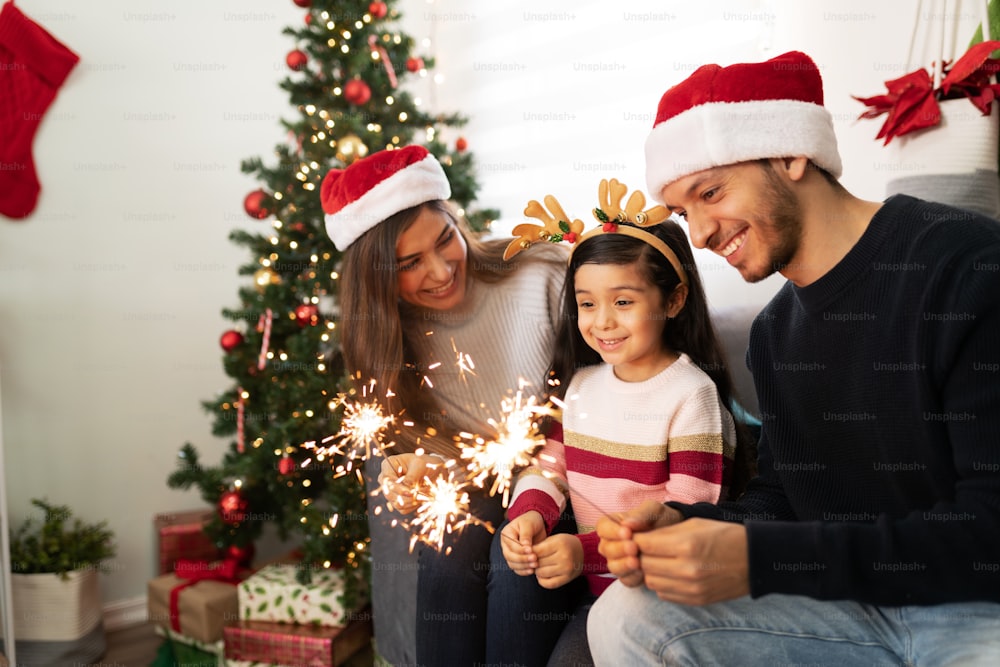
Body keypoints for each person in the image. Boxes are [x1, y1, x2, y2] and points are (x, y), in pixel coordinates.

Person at [590, 50, 1000, 665]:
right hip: (848, 609)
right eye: (682, 212)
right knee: (628, 615)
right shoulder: (775, 333)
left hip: (976, 608)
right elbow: (785, 495)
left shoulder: (963, 267)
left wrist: (761, 562)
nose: (697, 234)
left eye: (710, 192)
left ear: (790, 153)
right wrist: (685, 523)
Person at [319, 145, 575, 666]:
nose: (440, 271)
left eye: (445, 240)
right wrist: (409, 472)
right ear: (375, 278)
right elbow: (414, 450)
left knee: (518, 563)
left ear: (457, 222)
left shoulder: (541, 272)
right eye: (410, 264)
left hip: (565, 476)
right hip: (472, 486)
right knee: (447, 546)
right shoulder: (385, 338)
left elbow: (594, 399)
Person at [493, 180, 754, 665]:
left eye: (624, 301)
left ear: (673, 301)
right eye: (587, 303)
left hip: (659, 598)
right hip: (592, 589)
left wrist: (583, 553)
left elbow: (685, 521)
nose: (602, 321)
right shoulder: (582, 385)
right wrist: (532, 511)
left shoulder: (690, 396)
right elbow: (550, 467)